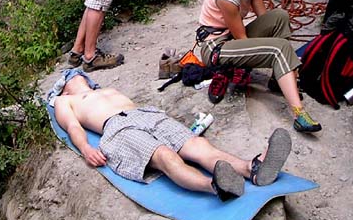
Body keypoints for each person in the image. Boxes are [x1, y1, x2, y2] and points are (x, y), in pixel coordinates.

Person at [48, 68, 293, 200]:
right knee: (164, 155)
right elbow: (72, 127)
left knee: (198, 146)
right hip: (116, 127)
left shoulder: (106, 89)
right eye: (71, 75)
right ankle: (216, 186)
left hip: (146, 114)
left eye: (79, 73)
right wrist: (86, 149)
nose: (77, 74)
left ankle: (252, 169)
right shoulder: (64, 101)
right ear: (64, 86)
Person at [197, 0, 322, 133]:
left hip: (232, 37)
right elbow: (242, 38)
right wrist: (276, 53)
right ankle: (299, 114)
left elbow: (265, 20)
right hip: (216, 46)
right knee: (279, 49)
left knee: (280, 17)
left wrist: (286, 62)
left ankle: (277, 79)